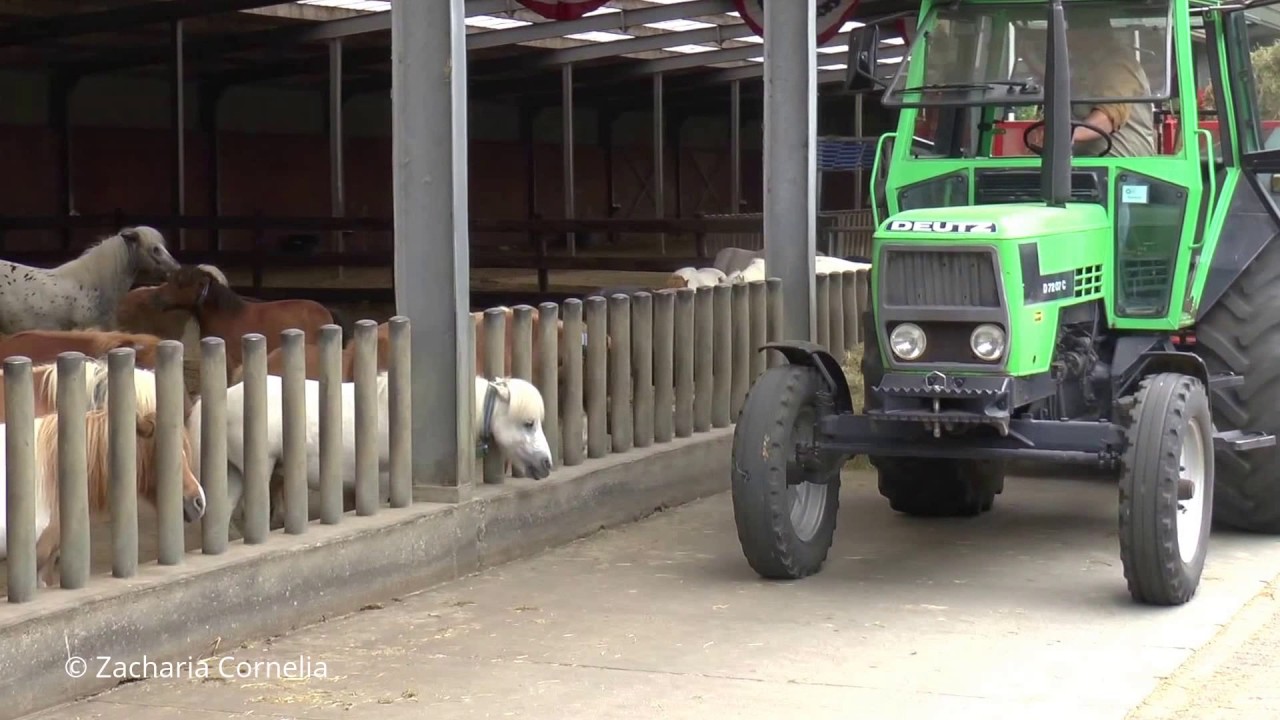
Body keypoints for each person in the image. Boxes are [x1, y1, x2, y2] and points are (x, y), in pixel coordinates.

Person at [1022, 13, 1157, 157]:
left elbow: (1108, 116)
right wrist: (1029, 58)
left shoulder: (1117, 66)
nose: (1067, 39)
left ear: (1090, 33)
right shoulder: (1088, 66)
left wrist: (1066, 134)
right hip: (1087, 164)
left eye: (1070, 32)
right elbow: (1062, 87)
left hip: (1123, 169)